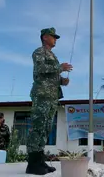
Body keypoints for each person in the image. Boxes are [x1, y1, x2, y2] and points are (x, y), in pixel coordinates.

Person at [25, 27, 72, 175]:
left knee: (45, 128)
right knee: (38, 127)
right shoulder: (39, 52)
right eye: (53, 37)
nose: (55, 39)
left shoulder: (52, 55)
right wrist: (59, 68)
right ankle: (32, 163)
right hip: (42, 96)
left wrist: (62, 81)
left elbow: (51, 75)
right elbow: (40, 69)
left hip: (51, 97)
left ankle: (39, 160)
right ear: (45, 37)